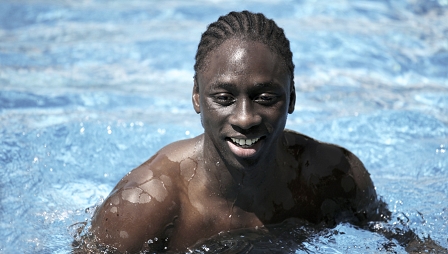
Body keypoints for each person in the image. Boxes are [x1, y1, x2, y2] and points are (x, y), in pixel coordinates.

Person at [87, 10, 385, 253]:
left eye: (265, 98)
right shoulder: (142, 207)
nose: (245, 118)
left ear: (291, 97)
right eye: (224, 99)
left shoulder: (334, 177)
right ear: (196, 97)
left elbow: (400, 241)